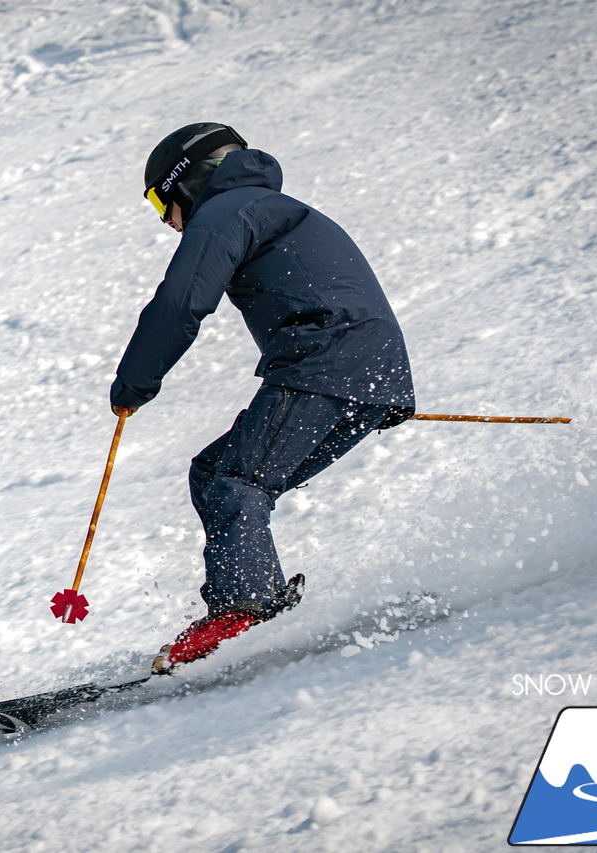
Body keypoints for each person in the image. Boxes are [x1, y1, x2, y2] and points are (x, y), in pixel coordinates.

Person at [109, 122, 415, 671]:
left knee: (234, 480)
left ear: (186, 182)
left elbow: (180, 301)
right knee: (222, 473)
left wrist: (134, 382)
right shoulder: (271, 208)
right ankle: (256, 598)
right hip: (363, 371)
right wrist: (377, 388)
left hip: (325, 362)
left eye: (159, 202)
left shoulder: (226, 211)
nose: (165, 221)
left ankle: (241, 605)